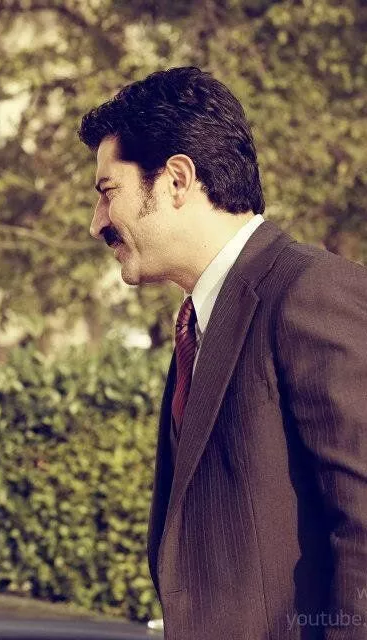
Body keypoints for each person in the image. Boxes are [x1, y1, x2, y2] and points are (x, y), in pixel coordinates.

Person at [79, 67, 367, 639]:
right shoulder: (199, 319)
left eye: (108, 193)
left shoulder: (310, 292)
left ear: (177, 180)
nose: (97, 224)